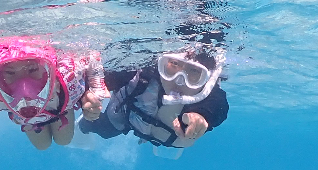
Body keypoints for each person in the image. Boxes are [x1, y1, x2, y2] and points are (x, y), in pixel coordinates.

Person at [78, 44, 229, 158]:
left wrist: (202, 115)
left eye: (194, 71)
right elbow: (99, 78)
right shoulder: (141, 72)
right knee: (104, 130)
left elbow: (219, 105)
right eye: (174, 64)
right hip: (126, 119)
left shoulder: (206, 92)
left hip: (166, 138)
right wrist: (86, 96)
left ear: (205, 78)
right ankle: (82, 126)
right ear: (162, 63)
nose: (179, 80)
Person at [0, 36, 108, 150]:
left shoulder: (67, 76)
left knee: (63, 141)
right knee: (42, 146)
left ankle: (71, 120)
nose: (24, 88)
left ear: (50, 68)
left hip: (59, 109)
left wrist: (95, 92)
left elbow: (92, 56)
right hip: (30, 120)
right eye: (10, 72)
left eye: (32, 69)